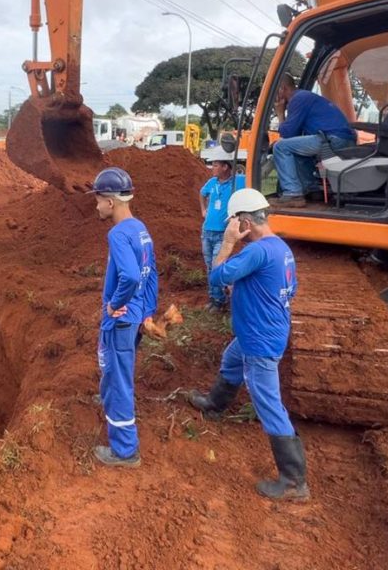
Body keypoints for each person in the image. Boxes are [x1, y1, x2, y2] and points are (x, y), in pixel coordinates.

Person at [188, 188, 309, 500]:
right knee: (231, 360)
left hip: (259, 338)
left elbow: (216, 277)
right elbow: (289, 290)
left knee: (267, 401)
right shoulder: (280, 248)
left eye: (234, 221)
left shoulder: (255, 251)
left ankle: (294, 481)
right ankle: (215, 405)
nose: (233, 226)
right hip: (262, 331)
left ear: (244, 221)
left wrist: (228, 243)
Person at [90, 166, 158, 467]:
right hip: (135, 315)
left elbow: (130, 275)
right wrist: (148, 312)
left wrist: (114, 303)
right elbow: (151, 273)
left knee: (119, 379)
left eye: (98, 199)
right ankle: (108, 402)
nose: (96, 205)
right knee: (114, 373)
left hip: (120, 318)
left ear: (110, 201)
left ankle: (124, 451)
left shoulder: (117, 233)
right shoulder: (140, 229)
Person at [271, 74, 356, 207]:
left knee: (280, 147)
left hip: (332, 139)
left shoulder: (298, 99)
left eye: (274, 91)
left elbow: (288, 134)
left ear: (282, 89)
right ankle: (312, 189)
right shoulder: (306, 97)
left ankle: (292, 193)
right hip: (342, 138)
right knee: (296, 151)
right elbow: (295, 138)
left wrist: (280, 113)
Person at [198, 148, 246, 309]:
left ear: (225, 167)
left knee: (217, 265)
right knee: (210, 266)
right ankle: (214, 298)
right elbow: (202, 193)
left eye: (215, 165)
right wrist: (203, 210)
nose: (212, 168)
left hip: (223, 234)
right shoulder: (211, 183)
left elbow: (253, 183)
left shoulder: (238, 182)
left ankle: (219, 301)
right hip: (207, 232)